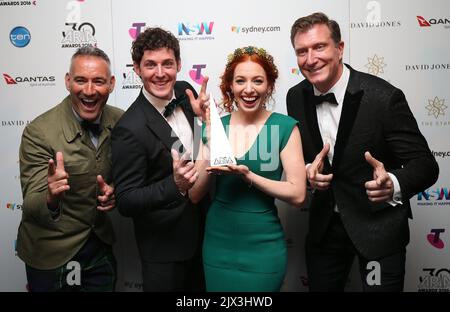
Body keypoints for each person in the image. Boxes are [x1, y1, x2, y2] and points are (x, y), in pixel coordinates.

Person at [287, 12, 439, 291]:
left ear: (340, 48)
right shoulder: (295, 97)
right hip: (325, 231)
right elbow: (309, 157)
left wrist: (392, 183)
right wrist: (309, 170)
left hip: (377, 228)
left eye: (319, 47)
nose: (310, 59)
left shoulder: (383, 98)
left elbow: (426, 165)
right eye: (302, 51)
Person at [189, 46, 307, 291]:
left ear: (269, 85)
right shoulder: (214, 126)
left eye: (258, 81)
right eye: (240, 81)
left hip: (263, 245)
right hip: (218, 244)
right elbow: (195, 194)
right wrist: (209, 138)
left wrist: (249, 175)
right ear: (230, 86)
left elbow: (298, 194)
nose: (249, 89)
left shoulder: (285, 127)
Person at [17, 46, 123, 291]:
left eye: (98, 81)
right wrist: (50, 196)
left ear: (112, 84)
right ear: (67, 81)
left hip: (99, 247)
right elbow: (32, 204)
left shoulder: (121, 122)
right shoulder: (39, 132)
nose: (89, 90)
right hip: (50, 252)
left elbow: (139, 171)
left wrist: (116, 189)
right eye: (80, 80)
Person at [111, 27, 209, 292]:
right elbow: (126, 200)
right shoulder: (129, 128)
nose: (160, 73)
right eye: (150, 65)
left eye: (167, 63)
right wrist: (175, 186)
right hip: (164, 251)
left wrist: (202, 122)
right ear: (137, 69)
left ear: (178, 64)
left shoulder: (186, 91)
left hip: (206, 236)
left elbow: (199, 149)